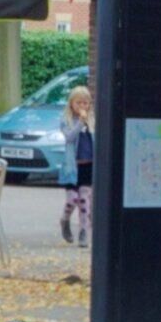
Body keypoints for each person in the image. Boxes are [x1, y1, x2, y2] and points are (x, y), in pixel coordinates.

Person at [59, 81, 97, 242]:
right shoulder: (66, 120)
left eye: (85, 102)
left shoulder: (93, 120)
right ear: (71, 104)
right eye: (79, 102)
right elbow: (69, 137)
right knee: (72, 199)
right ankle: (65, 220)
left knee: (84, 200)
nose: (82, 106)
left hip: (88, 165)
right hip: (72, 166)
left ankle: (83, 232)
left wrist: (88, 123)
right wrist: (80, 122)